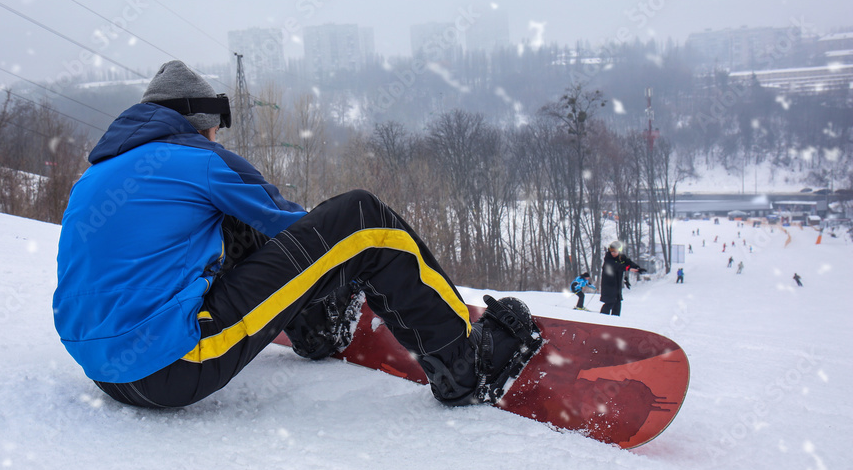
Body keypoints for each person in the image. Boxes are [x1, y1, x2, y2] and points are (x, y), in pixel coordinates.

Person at [53, 60, 541, 411]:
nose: (218, 138)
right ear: (201, 126)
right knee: (363, 219)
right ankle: (466, 364)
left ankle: (318, 330)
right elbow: (299, 232)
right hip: (173, 366)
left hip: (104, 373)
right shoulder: (200, 160)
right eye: (216, 129)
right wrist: (350, 269)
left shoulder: (92, 178)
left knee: (229, 220)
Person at [599, 241, 646, 316]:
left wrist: (637, 268)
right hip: (608, 284)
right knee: (610, 302)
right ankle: (602, 319)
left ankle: (615, 321)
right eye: (612, 251)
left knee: (617, 303)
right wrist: (628, 268)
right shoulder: (608, 259)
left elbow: (629, 263)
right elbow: (617, 266)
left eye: (615, 251)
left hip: (617, 285)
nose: (613, 253)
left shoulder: (621, 258)